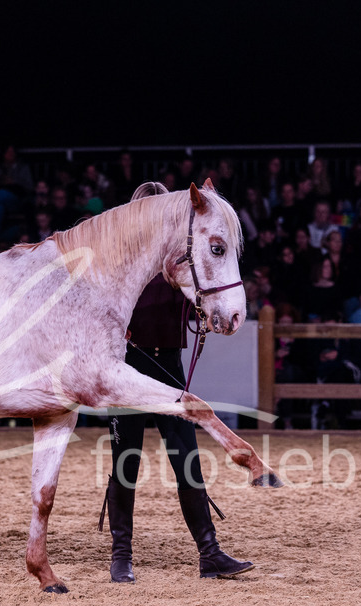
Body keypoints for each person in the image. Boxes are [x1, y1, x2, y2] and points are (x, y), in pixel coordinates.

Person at [101, 182, 251, 584]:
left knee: (187, 459)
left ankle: (210, 553)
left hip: (168, 367)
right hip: (129, 369)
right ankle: (121, 556)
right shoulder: (123, 263)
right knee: (125, 461)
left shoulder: (178, 261)